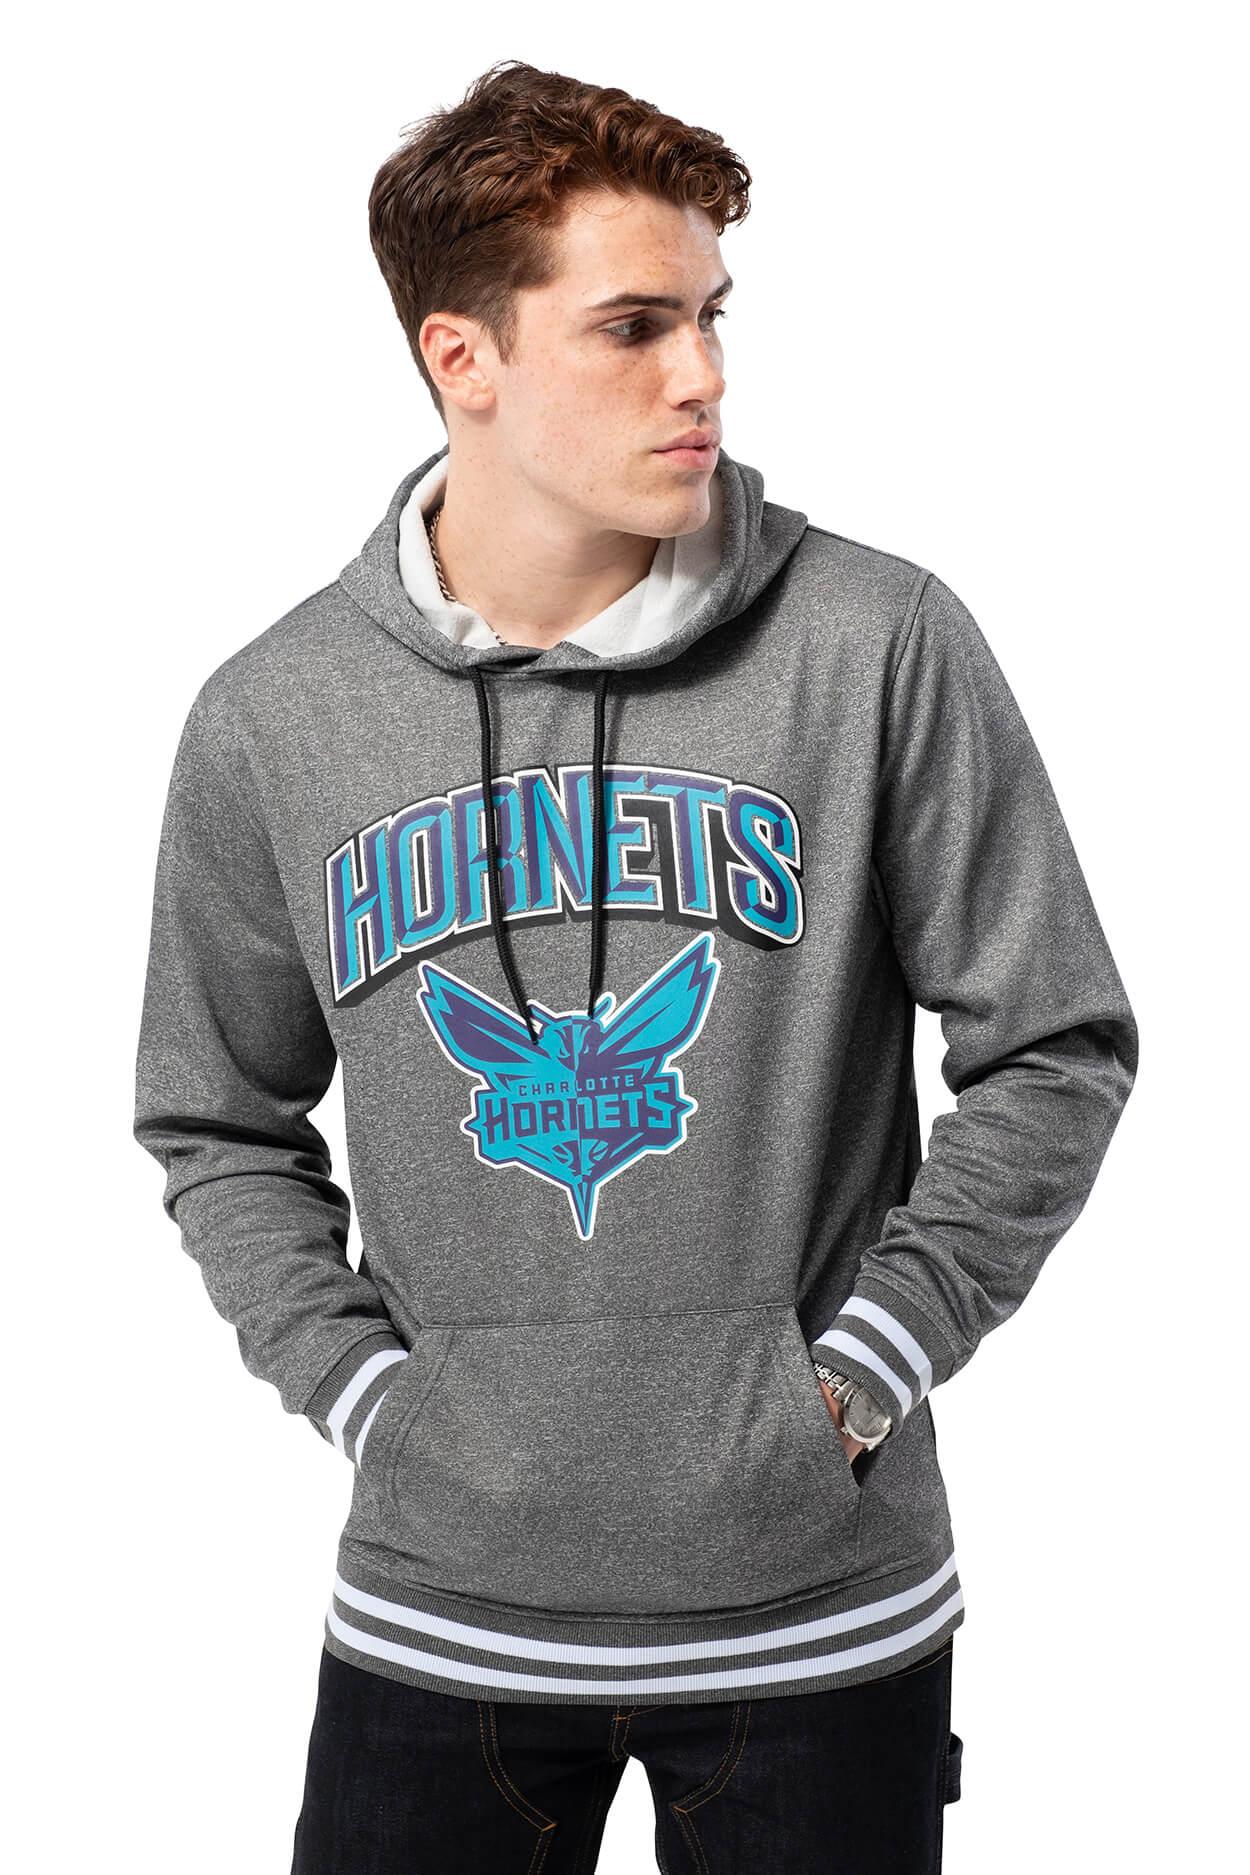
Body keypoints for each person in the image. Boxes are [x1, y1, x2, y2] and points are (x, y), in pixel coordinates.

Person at [132, 58, 1138, 1875]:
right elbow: (216, 1120)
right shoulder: (277, 717)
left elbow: (1052, 1046)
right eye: (633, 326)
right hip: (439, 1620)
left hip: (818, 1624)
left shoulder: (876, 645)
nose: (703, 375)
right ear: (463, 357)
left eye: (710, 316)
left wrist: (860, 1371)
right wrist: (375, 1401)